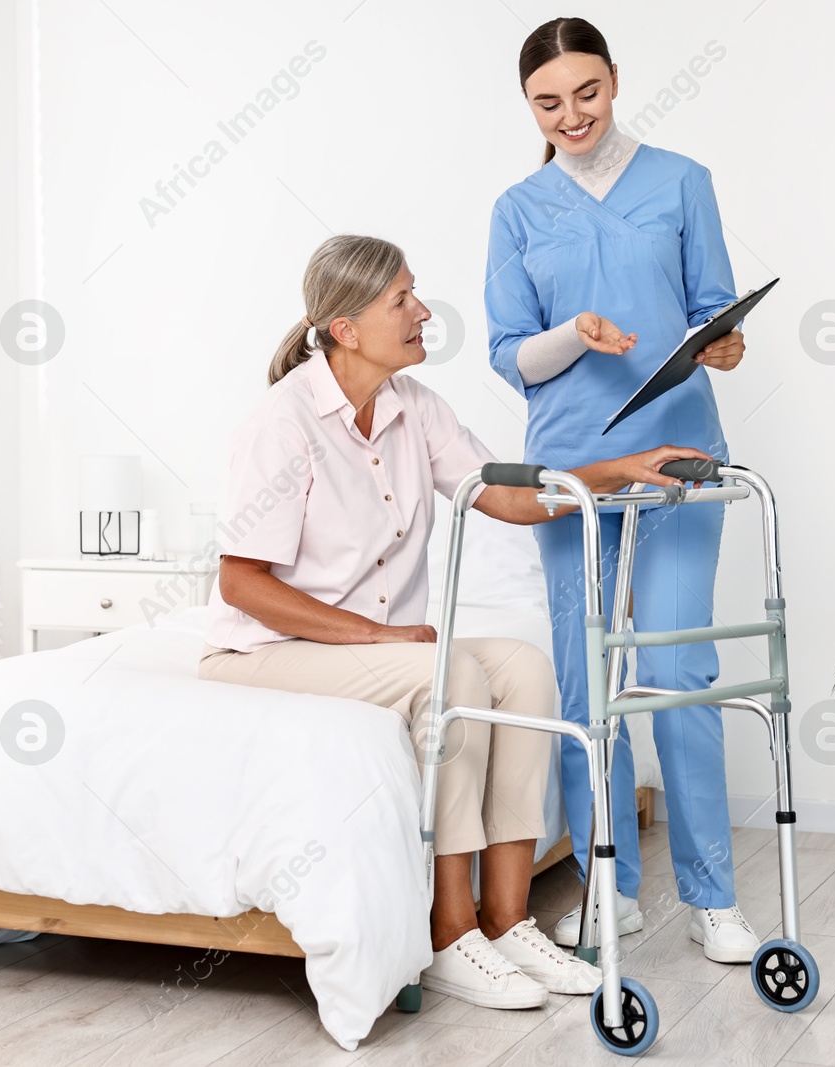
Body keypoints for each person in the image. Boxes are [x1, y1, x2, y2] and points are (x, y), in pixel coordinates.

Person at [200, 233, 713, 1009]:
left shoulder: (415, 407)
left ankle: (507, 921)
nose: (422, 311)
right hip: (267, 651)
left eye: (415, 292)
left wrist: (612, 472)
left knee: (525, 667)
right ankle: (451, 931)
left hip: (370, 650)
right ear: (345, 328)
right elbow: (240, 583)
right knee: (457, 675)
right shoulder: (284, 421)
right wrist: (379, 635)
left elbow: (505, 497)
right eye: (400, 299)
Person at [485, 16, 759, 963]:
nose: (572, 115)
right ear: (529, 105)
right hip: (571, 468)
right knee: (585, 677)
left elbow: (711, 313)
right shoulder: (518, 209)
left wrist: (722, 341)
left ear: (614, 80)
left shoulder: (683, 181)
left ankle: (714, 898)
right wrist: (575, 333)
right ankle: (612, 886)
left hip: (677, 451)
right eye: (548, 103)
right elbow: (509, 355)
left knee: (681, 670)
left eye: (587, 93)